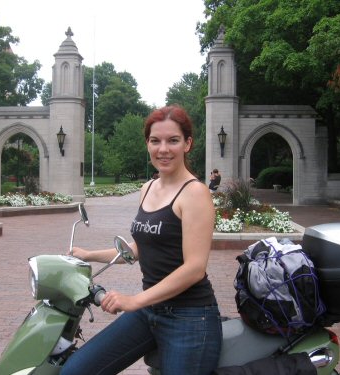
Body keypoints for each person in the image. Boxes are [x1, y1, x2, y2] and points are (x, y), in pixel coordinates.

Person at [61, 105, 222, 375]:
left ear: (188, 144)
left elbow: (194, 268)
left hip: (190, 318)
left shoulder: (195, 193)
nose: (163, 149)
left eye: (173, 140)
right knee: (75, 371)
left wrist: (135, 300)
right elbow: (140, 249)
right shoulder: (147, 188)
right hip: (150, 311)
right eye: (155, 140)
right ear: (147, 143)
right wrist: (87, 254)